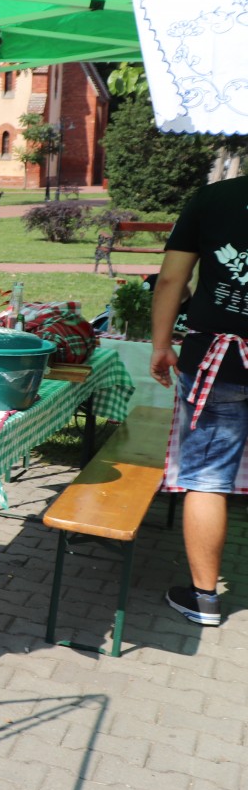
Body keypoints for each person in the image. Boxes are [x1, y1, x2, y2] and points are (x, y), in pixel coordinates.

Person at [151, 175, 248, 627]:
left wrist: (160, 344)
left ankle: (205, 599)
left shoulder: (214, 198)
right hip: (220, 359)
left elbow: (172, 278)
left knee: (208, 478)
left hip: (217, 360)